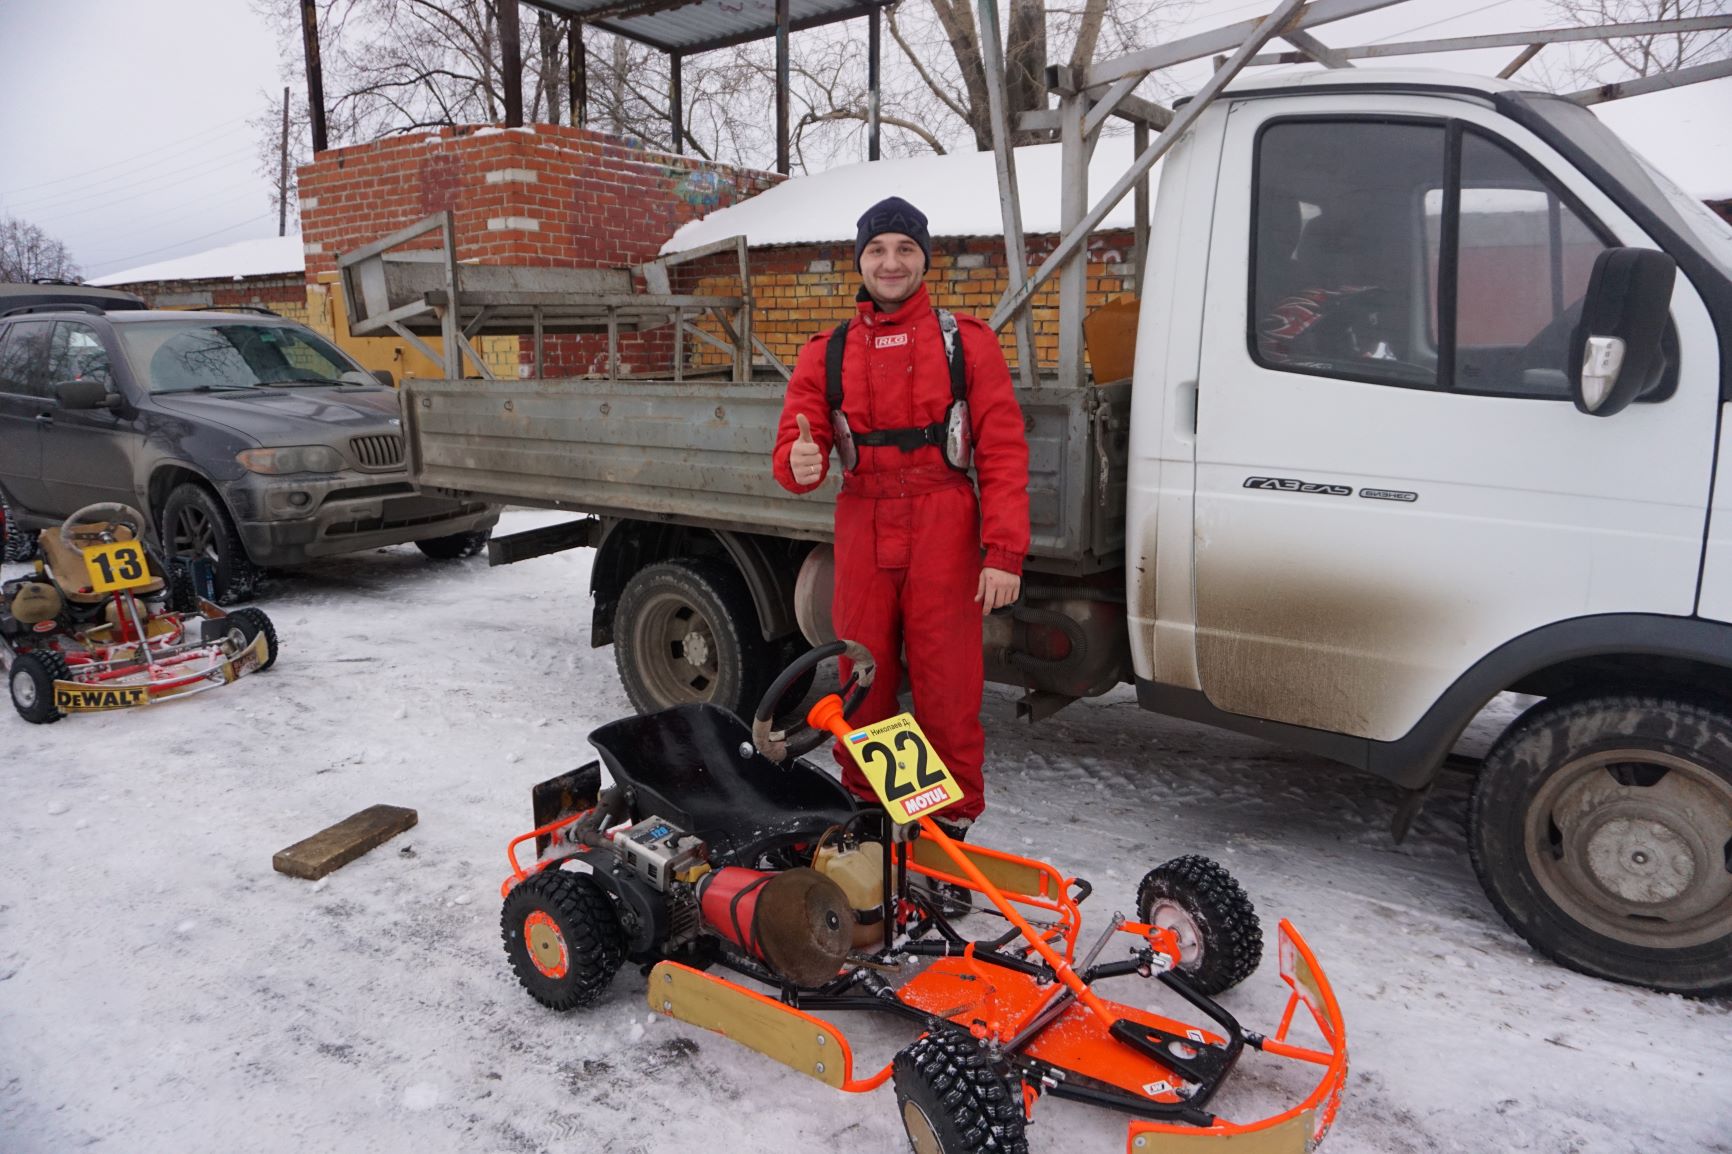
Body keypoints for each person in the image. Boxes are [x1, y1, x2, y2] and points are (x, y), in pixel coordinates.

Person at [772, 196, 1030, 836]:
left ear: (924, 259)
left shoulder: (966, 343)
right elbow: (794, 448)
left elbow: (1001, 450)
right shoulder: (824, 353)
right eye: (878, 250)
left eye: (905, 249)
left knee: (949, 686)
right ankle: (870, 812)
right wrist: (799, 462)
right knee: (862, 676)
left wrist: (1003, 554)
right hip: (862, 520)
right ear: (859, 260)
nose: (891, 263)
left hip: (944, 518)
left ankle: (949, 827)